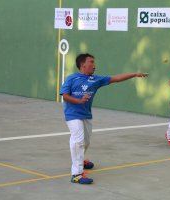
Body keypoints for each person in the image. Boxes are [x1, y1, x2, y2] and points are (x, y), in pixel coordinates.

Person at [60, 53, 148, 184]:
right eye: (91, 62)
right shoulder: (71, 78)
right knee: (78, 140)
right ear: (83, 65)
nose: (94, 65)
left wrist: (134, 74)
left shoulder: (96, 79)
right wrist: (78, 101)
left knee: (86, 141)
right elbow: (65, 96)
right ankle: (77, 174)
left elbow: (116, 78)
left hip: (86, 115)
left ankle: (81, 160)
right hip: (72, 114)